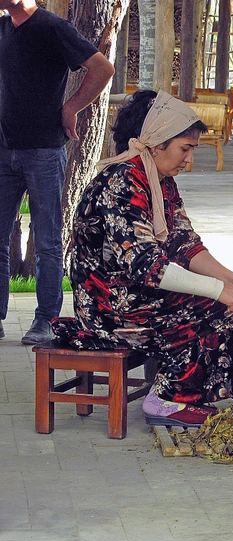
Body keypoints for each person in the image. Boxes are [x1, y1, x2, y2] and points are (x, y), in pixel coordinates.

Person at [66, 90, 233, 427]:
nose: (188, 160)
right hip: (110, 308)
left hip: (140, 294)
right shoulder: (121, 183)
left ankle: (207, 394)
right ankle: (168, 398)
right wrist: (220, 291)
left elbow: (186, 245)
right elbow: (147, 266)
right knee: (219, 306)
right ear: (156, 143)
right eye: (185, 149)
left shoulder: (159, 180)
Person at [0, 0, 114, 344]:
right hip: (4, 150)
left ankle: (46, 320)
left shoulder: (52, 27)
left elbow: (102, 68)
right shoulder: (3, 28)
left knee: (48, 240)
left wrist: (71, 107)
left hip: (44, 151)